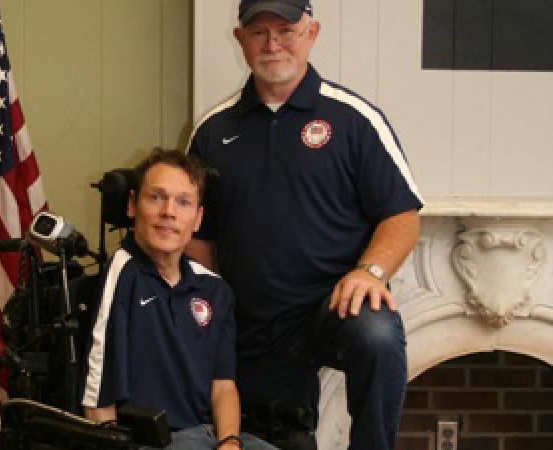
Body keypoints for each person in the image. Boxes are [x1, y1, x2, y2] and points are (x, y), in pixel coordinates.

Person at [185, 1, 423, 449]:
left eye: (286, 30)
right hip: (252, 322)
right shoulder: (212, 131)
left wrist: (368, 273)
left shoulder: (354, 118)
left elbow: (402, 217)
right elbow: (199, 236)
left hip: (330, 312)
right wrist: (209, 305)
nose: (273, 44)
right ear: (240, 39)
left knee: (377, 332)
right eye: (259, 32)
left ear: (312, 33)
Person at [81, 149, 276, 450]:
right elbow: (97, 395)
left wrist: (230, 443)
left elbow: (223, 386)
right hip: (157, 441)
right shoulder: (122, 275)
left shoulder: (215, 290)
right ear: (133, 205)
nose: (169, 212)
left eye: (183, 202)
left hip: (211, 435)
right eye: (157, 197)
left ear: (197, 219)